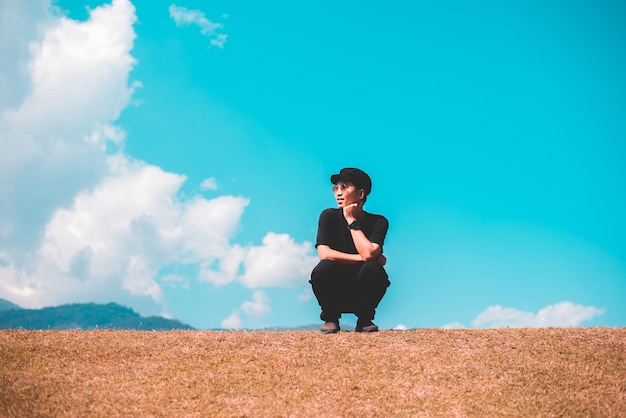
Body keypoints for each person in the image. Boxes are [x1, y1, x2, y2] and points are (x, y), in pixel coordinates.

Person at [309, 167, 390, 333]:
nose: (338, 192)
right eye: (336, 188)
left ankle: (364, 319)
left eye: (344, 187)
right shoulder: (328, 216)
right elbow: (324, 253)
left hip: (362, 290)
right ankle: (331, 318)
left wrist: (351, 220)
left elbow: (369, 254)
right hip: (334, 290)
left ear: (361, 194)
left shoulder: (378, 221)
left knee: (373, 269)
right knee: (324, 268)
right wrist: (364, 258)